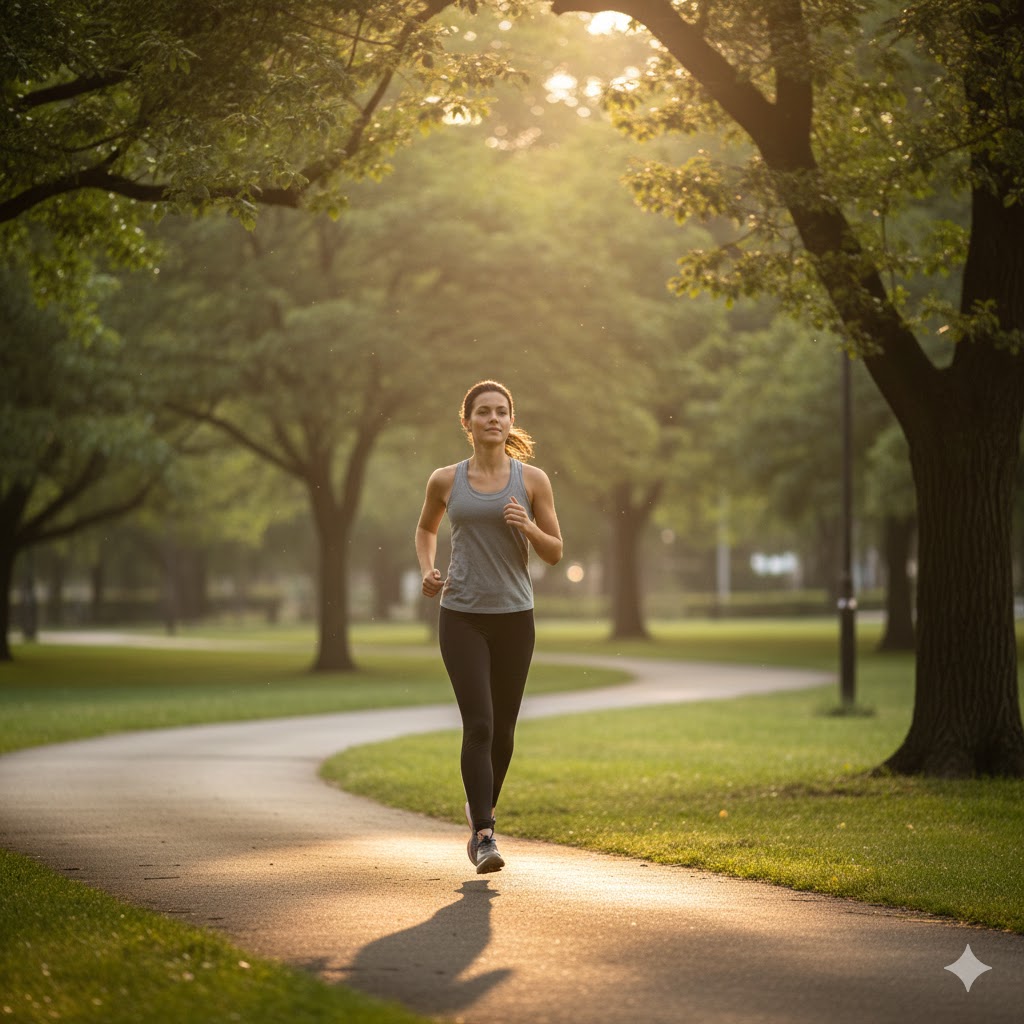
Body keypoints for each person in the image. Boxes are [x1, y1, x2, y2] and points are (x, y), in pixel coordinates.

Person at [415, 380, 563, 873]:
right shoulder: (445, 479)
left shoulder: (533, 481)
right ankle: (484, 835)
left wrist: (528, 527)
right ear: (468, 422)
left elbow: (556, 552)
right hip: (461, 615)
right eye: (483, 412)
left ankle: (481, 809)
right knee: (478, 724)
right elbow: (426, 528)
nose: (493, 419)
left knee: (503, 734)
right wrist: (427, 569)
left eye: (501, 411)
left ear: (510, 420)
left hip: (515, 617)